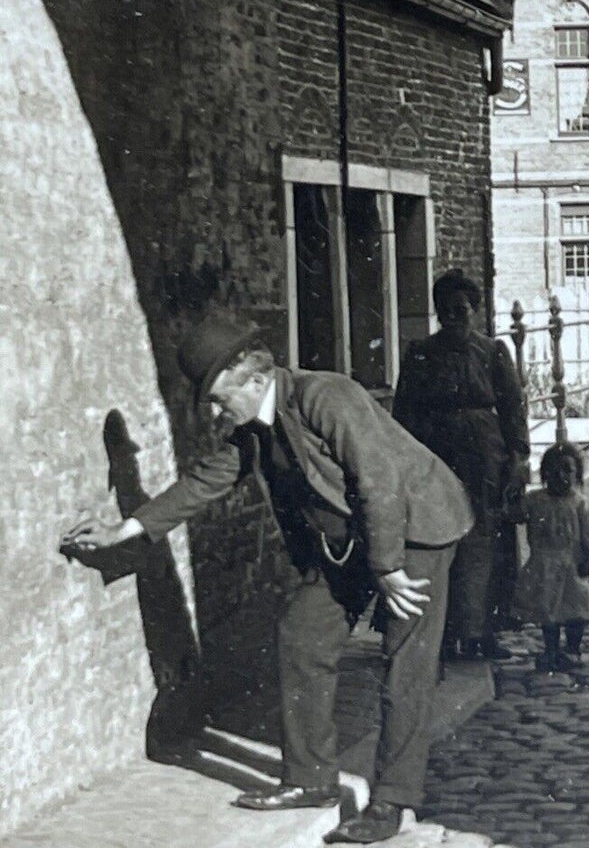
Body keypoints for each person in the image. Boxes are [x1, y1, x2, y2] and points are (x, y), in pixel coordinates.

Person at [61, 313, 473, 845]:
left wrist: (388, 567)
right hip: (350, 538)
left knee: (405, 663)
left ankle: (391, 800)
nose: (213, 411)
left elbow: (379, 480)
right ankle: (309, 780)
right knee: (302, 637)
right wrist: (127, 527)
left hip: (417, 530)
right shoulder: (257, 428)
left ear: (253, 379)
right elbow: (206, 480)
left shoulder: (327, 396)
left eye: (216, 396)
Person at [392, 269, 530, 662]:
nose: (453, 318)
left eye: (461, 310)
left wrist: (518, 457)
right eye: (445, 312)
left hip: (486, 459)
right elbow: (405, 414)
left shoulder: (492, 352)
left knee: (487, 545)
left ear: (474, 311)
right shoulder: (420, 353)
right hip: (438, 460)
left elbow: (513, 409)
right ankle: (445, 634)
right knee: (441, 543)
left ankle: (482, 633)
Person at [514, 442, 589, 673]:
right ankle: (551, 649)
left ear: (577, 475)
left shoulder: (579, 504)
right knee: (548, 612)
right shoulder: (535, 501)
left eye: (567, 470)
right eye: (553, 471)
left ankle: (573, 648)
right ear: (544, 474)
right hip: (544, 563)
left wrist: (588, 556)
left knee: (575, 610)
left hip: (572, 563)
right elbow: (516, 513)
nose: (560, 476)